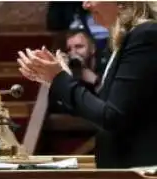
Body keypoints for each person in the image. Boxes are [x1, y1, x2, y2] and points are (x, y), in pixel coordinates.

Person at [18, 1, 157, 168]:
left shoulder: (145, 35)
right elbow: (100, 110)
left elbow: (111, 116)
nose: (85, 5)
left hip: (140, 174)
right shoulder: (121, 41)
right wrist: (55, 80)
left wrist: (59, 79)